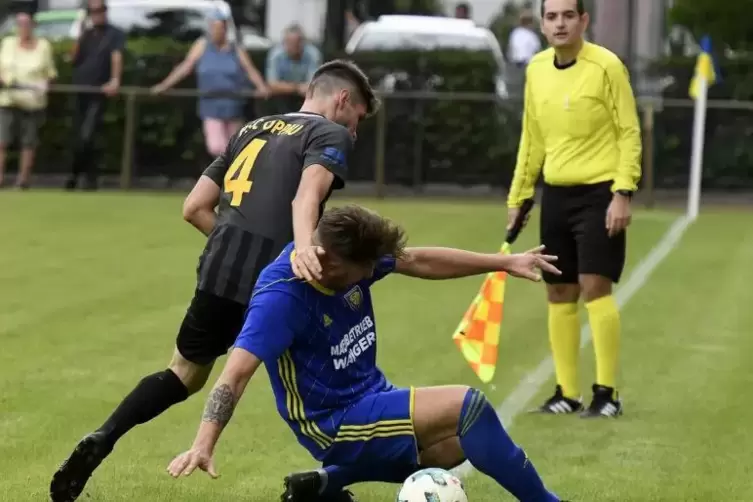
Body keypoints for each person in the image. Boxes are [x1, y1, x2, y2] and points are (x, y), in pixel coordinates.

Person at [49, 59, 379, 502]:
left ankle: (105, 436)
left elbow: (194, 206)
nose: (353, 132)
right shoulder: (328, 134)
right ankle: (332, 488)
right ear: (341, 99)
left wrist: (230, 242)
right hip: (278, 277)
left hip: (219, 267)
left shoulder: (253, 127)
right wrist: (299, 250)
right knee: (327, 374)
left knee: (183, 374)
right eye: (356, 119)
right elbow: (308, 195)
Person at [166, 204, 569, 502]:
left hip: (368, 396)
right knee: (469, 407)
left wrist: (505, 262)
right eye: (367, 269)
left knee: (453, 447)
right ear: (330, 262)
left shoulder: (346, 259)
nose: (374, 274)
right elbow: (234, 374)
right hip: (331, 421)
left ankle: (326, 485)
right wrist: (204, 443)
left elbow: (421, 260)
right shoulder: (281, 298)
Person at [507, 0, 642, 418]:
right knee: (558, 291)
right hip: (557, 196)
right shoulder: (536, 69)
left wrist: (623, 192)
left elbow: (629, 131)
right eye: (552, 16)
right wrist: (519, 198)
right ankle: (567, 393)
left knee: (595, 286)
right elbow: (532, 139)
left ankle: (607, 394)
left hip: (600, 193)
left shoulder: (606, 66)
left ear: (584, 20)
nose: (560, 23)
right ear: (542, 24)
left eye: (569, 15)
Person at [151, 8, 270, 159]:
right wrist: (165, 85)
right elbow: (186, 66)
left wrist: (261, 87)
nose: (217, 31)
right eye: (214, 27)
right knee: (216, 146)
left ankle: (228, 180)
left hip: (233, 105)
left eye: (220, 28)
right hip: (210, 104)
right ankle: (223, 176)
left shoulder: (236, 49)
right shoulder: (201, 45)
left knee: (235, 146)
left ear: (225, 29)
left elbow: (249, 70)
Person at [64, 0, 124, 191]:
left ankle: (81, 177)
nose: (97, 14)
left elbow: (117, 56)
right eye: (93, 11)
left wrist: (115, 80)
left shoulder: (114, 33)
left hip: (97, 92)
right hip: (79, 89)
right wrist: (79, 33)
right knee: (77, 136)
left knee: (87, 135)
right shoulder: (86, 34)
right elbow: (72, 58)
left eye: (100, 10)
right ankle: (83, 177)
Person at [0, 11, 57, 189]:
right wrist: (8, 81)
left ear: (33, 25)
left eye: (26, 24)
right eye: (19, 24)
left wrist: (44, 85)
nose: (22, 28)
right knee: (1, 141)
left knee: (28, 142)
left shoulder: (44, 46)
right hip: (8, 100)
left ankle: (23, 181)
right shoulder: (7, 43)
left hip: (33, 102)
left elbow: (50, 74)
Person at [266, 24, 322, 113]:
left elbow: (312, 85)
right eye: (290, 43)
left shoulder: (313, 54)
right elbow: (272, 85)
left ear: (303, 42)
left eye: (297, 42)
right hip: (282, 96)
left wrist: (289, 87)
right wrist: (297, 88)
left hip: (305, 97)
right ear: (284, 43)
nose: (293, 46)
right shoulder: (276, 55)